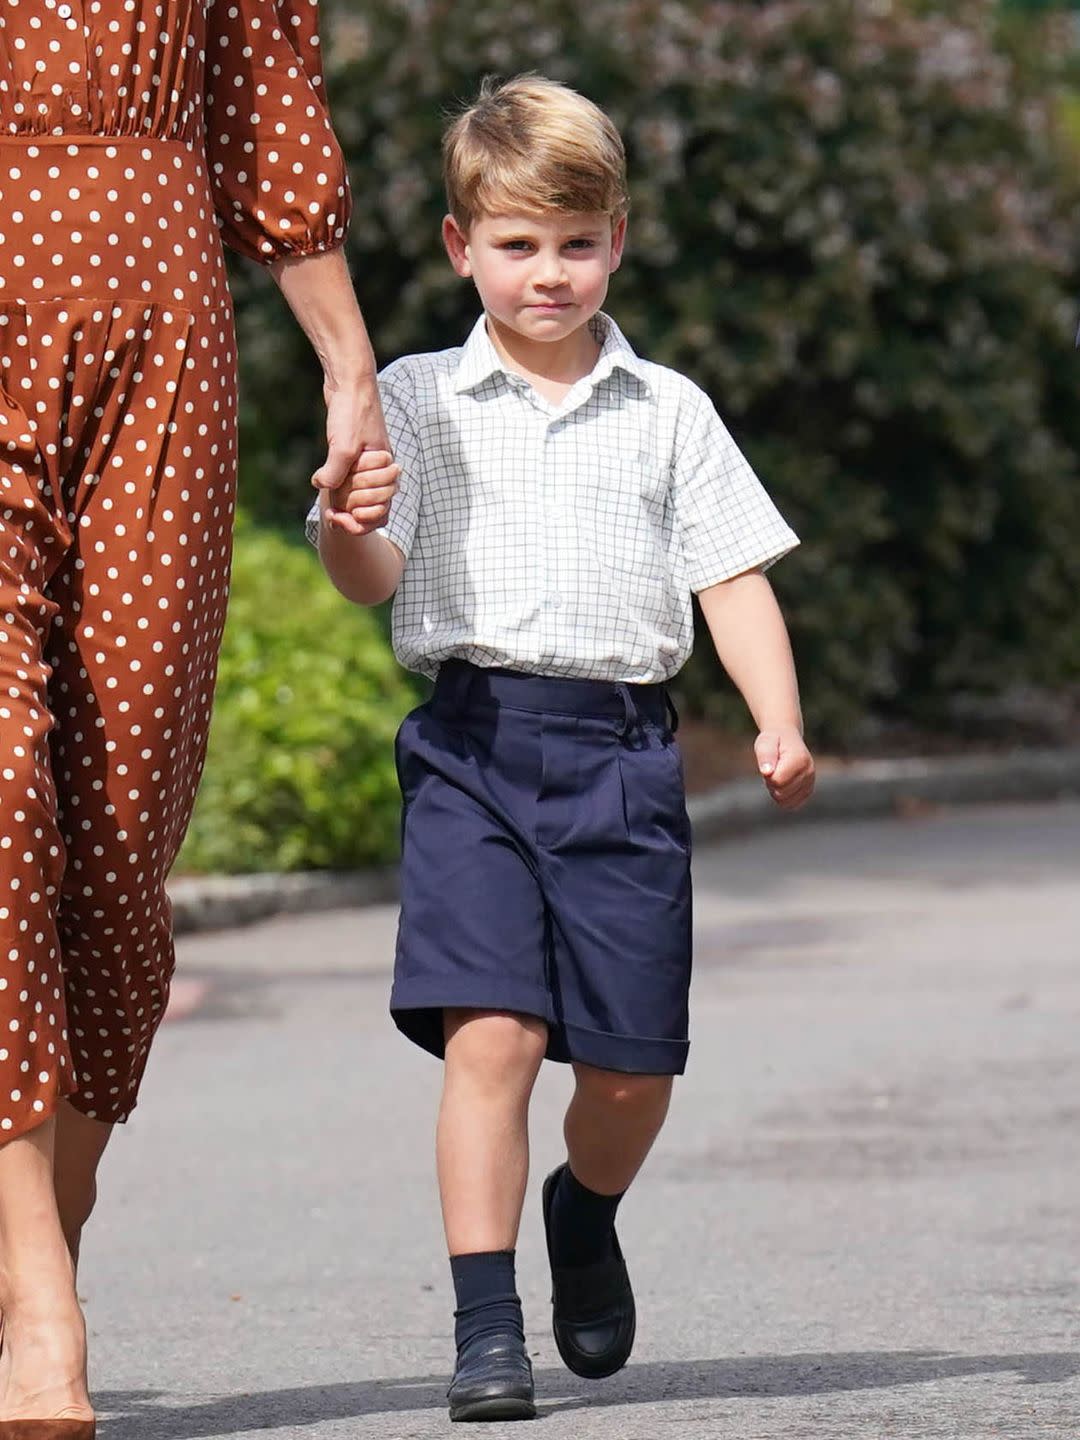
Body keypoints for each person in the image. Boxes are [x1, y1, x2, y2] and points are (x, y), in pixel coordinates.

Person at [309, 74, 815, 1423]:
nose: (549, 273)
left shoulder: (668, 410)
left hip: (622, 759)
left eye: (575, 244)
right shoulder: (416, 400)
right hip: (474, 748)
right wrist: (342, 519)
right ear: (460, 247)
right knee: (494, 1037)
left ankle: (583, 1212)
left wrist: (777, 715)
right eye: (518, 245)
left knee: (632, 1069)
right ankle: (488, 1329)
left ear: (619, 242)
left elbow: (734, 578)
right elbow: (369, 577)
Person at [0, 3, 391, 1435]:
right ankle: (40, 1301)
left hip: (163, 329)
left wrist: (350, 365)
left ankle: (44, 1219)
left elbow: (270, 110)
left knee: (116, 834)